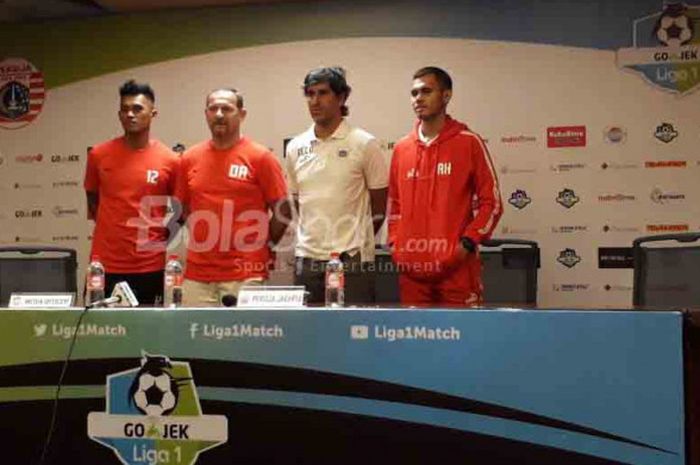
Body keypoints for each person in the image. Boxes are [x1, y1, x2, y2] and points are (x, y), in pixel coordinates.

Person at [388, 66, 502, 306]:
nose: (418, 98)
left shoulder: (468, 142)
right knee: (414, 340)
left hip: (456, 270)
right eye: (414, 93)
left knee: (463, 340)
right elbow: (394, 205)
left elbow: (491, 203)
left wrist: (467, 244)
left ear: (446, 95)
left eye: (426, 91)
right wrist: (395, 246)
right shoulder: (401, 148)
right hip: (412, 272)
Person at [175, 88, 291, 306]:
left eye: (227, 109)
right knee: (195, 337)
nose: (219, 114)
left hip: (246, 272)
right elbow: (182, 208)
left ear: (242, 114)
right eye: (213, 109)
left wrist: (263, 246)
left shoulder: (260, 157)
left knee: (244, 338)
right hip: (198, 273)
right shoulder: (189, 158)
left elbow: (283, 210)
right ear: (206, 114)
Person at [285, 67, 388, 305]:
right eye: (310, 94)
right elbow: (298, 202)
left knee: (354, 334)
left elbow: (379, 206)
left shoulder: (364, 143)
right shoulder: (295, 147)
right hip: (307, 259)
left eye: (323, 93)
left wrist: (352, 240)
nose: (315, 101)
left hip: (352, 260)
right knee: (309, 335)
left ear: (341, 98)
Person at [84, 79, 179, 305]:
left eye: (137, 109)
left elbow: (180, 211)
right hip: (105, 264)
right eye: (125, 109)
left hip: (150, 266)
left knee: (148, 335)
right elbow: (93, 201)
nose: (130, 114)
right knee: (102, 334)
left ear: (153, 113)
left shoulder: (170, 160)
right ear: (119, 115)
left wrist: (157, 239)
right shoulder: (98, 155)